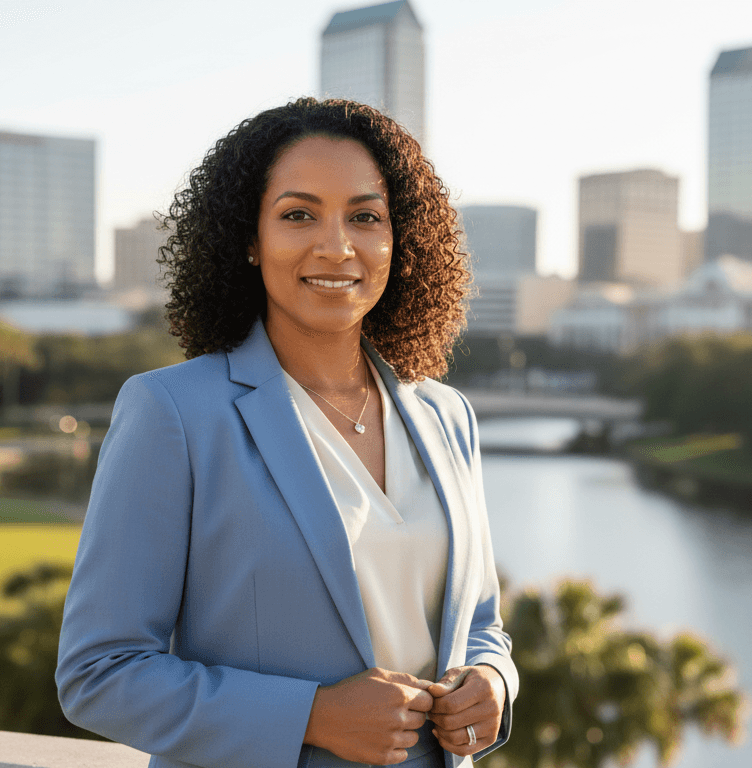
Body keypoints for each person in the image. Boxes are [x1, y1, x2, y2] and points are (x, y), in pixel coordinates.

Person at [55, 98, 517, 768]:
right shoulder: (173, 413)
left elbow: (479, 623)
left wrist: (492, 683)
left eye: (365, 216)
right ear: (250, 237)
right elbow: (99, 673)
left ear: (402, 239)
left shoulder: (446, 415)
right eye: (299, 215)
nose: (337, 246)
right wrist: (312, 717)